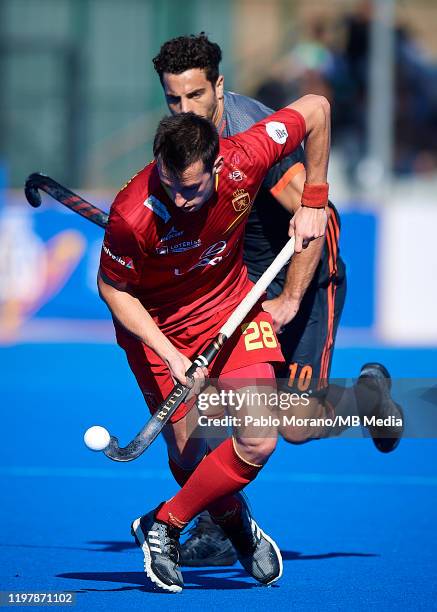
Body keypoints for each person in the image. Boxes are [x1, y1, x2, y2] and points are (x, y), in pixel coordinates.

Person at [151, 33, 404, 567]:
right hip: (244, 290)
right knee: (209, 409)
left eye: (195, 97)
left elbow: (318, 218)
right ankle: (220, 523)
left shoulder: (253, 137)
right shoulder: (180, 143)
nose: (185, 110)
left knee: (295, 424)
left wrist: (289, 298)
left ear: (219, 87)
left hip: (306, 279)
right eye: (174, 100)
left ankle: (366, 399)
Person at [98, 95, 332, 592]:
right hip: (157, 327)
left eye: (191, 189)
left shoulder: (245, 158)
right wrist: (172, 354)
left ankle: (165, 524)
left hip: (231, 309)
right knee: (187, 454)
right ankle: (233, 523)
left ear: (218, 166)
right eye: (169, 184)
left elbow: (317, 108)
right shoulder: (131, 216)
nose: (178, 200)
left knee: (259, 436)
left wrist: (314, 199)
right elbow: (113, 290)